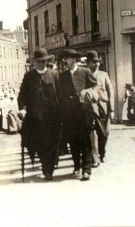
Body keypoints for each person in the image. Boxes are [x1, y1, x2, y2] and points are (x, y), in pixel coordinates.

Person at [18, 48, 60, 180]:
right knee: (40, 145)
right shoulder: (29, 76)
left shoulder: (54, 75)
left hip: (52, 118)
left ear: (46, 61)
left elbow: (60, 95)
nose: (41, 64)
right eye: (38, 61)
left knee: (52, 144)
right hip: (35, 119)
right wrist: (23, 108)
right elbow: (22, 96)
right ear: (34, 62)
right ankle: (45, 167)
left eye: (43, 61)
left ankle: (49, 169)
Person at [58, 48, 95, 181]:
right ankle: (77, 166)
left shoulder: (85, 72)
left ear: (73, 59)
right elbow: (60, 96)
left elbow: (94, 87)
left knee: (86, 141)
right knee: (73, 142)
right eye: (64, 58)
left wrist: (87, 92)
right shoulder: (62, 76)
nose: (64, 61)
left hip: (84, 113)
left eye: (67, 58)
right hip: (69, 115)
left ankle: (87, 169)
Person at [86, 50, 114, 166]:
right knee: (91, 135)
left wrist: (112, 109)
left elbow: (111, 91)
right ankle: (95, 158)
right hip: (89, 108)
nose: (97, 64)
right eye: (94, 62)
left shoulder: (104, 74)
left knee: (104, 133)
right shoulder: (84, 74)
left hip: (103, 108)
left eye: (98, 62)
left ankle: (102, 153)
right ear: (88, 63)